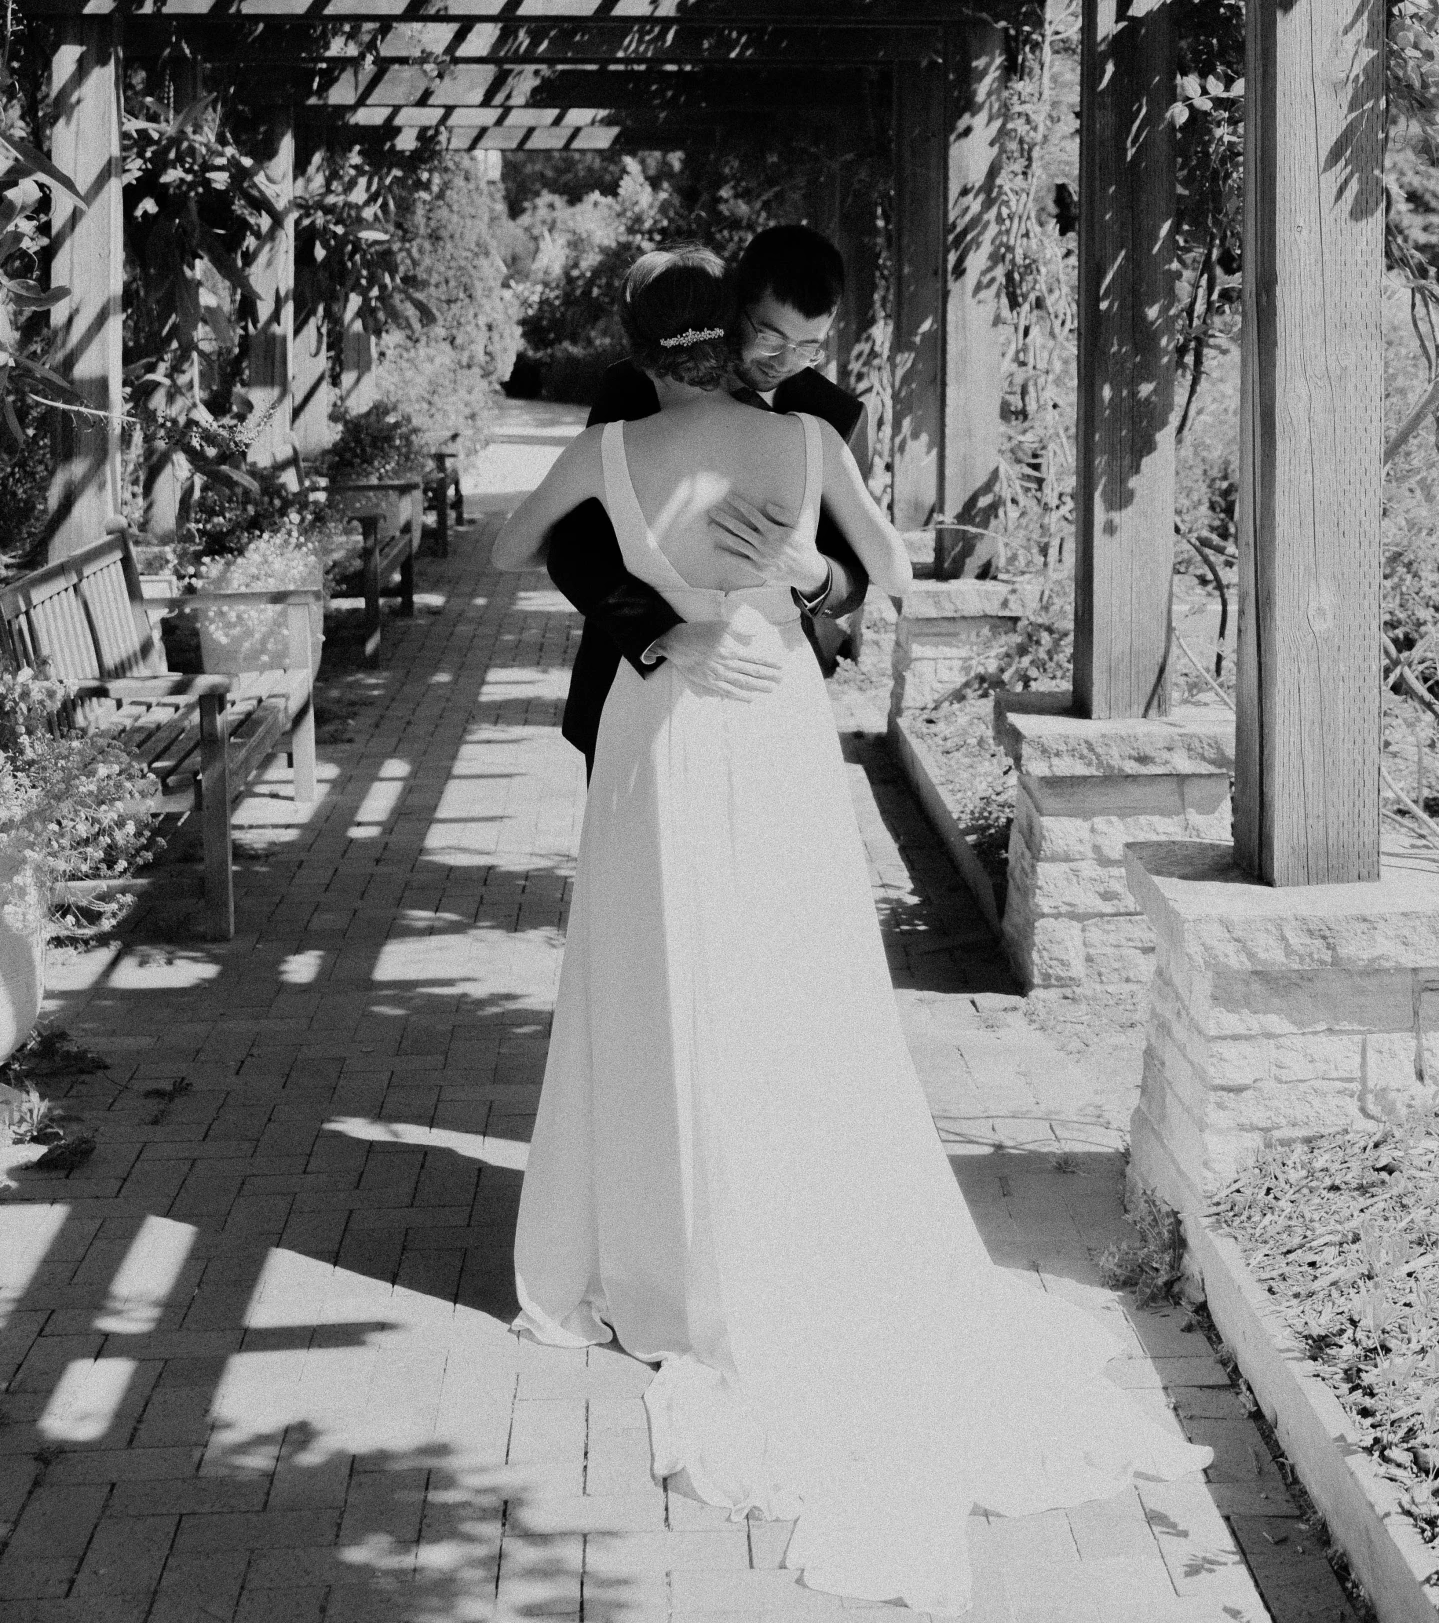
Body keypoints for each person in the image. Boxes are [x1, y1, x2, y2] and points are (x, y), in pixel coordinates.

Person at [492, 249, 1210, 1616]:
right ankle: (744, 1226)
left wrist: (789, 577)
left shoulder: (727, 421)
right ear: (731, 333)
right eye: (759, 333)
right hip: (705, 704)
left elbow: (550, 539)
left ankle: (675, 1242)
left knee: (680, 973)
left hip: (693, 717)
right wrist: (683, 619)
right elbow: (874, 562)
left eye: (795, 335)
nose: (774, 353)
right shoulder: (793, 431)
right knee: (766, 970)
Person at [547, 223, 870, 778]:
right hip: (637, 680)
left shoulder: (837, 417)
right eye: (769, 336)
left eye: (809, 346)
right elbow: (574, 545)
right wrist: (663, 634)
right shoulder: (636, 382)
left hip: (767, 691)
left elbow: (855, 575)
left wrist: (815, 573)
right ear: (734, 302)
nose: (785, 359)